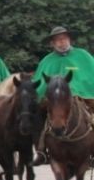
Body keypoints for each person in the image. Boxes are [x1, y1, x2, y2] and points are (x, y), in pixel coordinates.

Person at [30, 26, 94, 165]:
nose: (61, 42)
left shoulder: (83, 56)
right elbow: (40, 81)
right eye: (57, 40)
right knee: (36, 115)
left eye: (64, 39)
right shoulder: (47, 61)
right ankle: (41, 151)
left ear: (69, 39)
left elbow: (90, 74)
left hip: (82, 95)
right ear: (52, 43)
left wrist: (77, 89)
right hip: (54, 98)